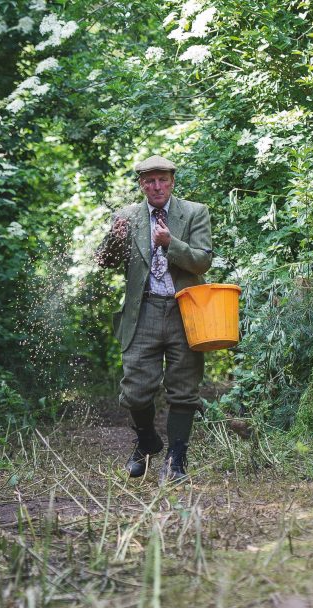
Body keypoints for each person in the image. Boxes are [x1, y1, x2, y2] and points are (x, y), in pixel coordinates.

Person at [95, 155, 213, 483]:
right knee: (134, 391)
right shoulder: (127, 217)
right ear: (141, 185)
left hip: (184, 309)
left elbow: (202, 262)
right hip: (143, 310)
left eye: (162, 179)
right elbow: (105, 261)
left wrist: (170, 244)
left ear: (172, 180)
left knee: (184, 389)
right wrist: (113, 241)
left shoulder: (194, 212)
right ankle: (146, 439)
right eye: (149, 181)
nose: (156, 186)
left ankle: (176, 459)